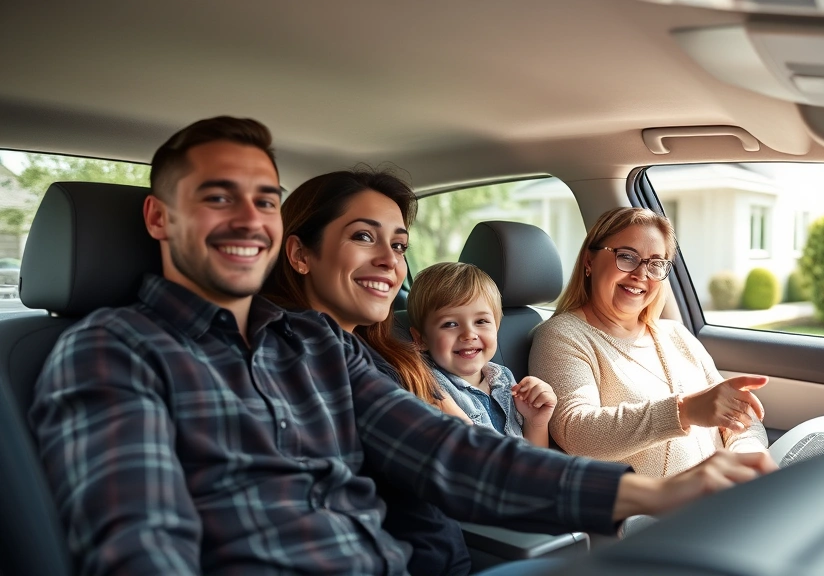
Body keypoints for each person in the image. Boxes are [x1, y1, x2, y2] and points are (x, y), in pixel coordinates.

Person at [30, 117, 775, 576]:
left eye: (264, 198)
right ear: (159, 219)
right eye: (218, 196)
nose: (250, 217)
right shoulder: (114, 349)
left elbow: (451, 454)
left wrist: (650, 494)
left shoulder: (316, 347)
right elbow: (140, 542)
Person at [261, 168, 475, 576]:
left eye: (399, 245)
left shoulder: (388, 354)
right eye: (363, 236)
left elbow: (466, 450)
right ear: (300, 254)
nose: (390, 261)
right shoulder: (286, 352)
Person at [530, 207, 773, 478]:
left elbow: (739, 418)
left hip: (720, 499)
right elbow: (577, 433)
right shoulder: (562, 336)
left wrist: (748, 454)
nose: (641, 274)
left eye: (656, 263)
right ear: (589, 261)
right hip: (644, 515)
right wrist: (685, 411)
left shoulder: (676, 335)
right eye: (627, 256)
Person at [407, 262, 557, 447]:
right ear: (421, 339)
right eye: (450, 324)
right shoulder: (429, 388)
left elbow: (533, 463)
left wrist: (536, 422)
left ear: (496, 328)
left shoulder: (503, 378)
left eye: (481, 321)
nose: (469, 334)